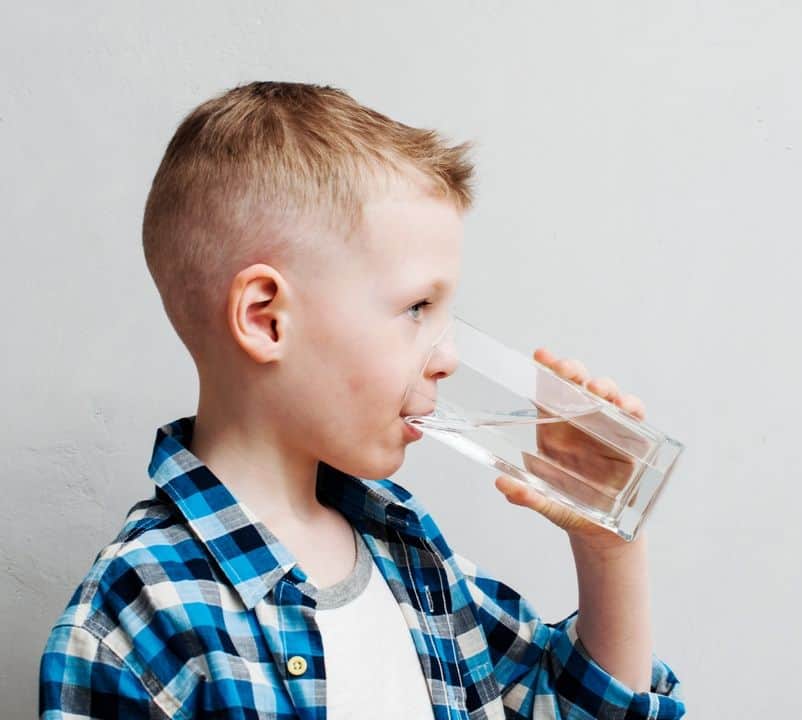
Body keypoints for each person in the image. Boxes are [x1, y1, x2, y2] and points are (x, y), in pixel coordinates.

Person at [37, 80, 685, 719]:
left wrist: (609, 546)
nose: (449, 356)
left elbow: (573, 708)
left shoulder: (409, 552)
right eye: (416, 309)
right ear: (267, 319)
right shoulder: (133, 624)